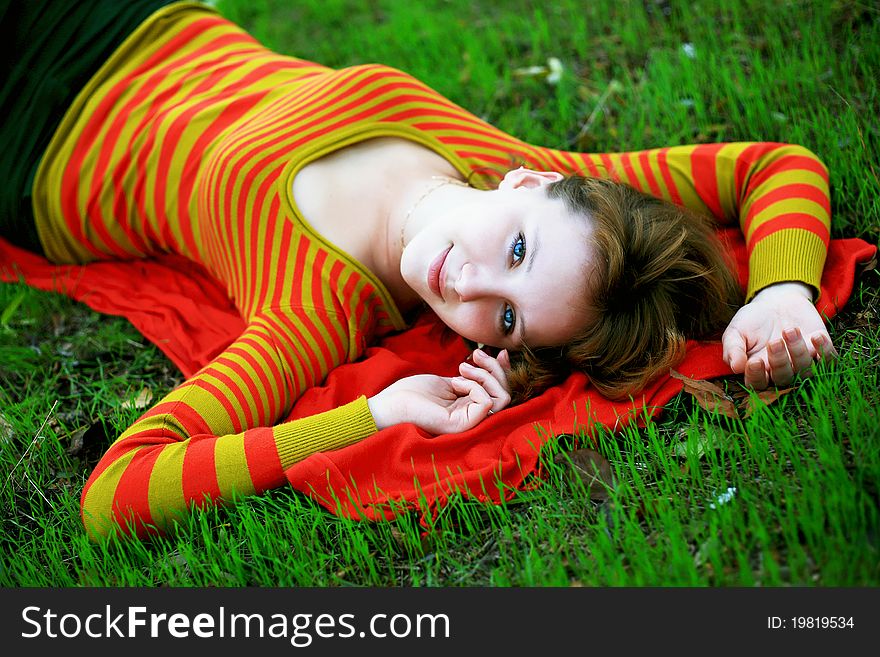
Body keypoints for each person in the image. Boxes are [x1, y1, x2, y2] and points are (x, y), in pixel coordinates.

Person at [0, 0, 836, 540]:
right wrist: (781, 289)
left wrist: (369, 415)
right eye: (517, 251)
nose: (467, 287)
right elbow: (773, 166)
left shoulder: (312, 312)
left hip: (31, 149)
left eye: (504, 318)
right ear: (532, 185)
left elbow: (118, 492)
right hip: (137, 21)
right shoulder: (501, 156)